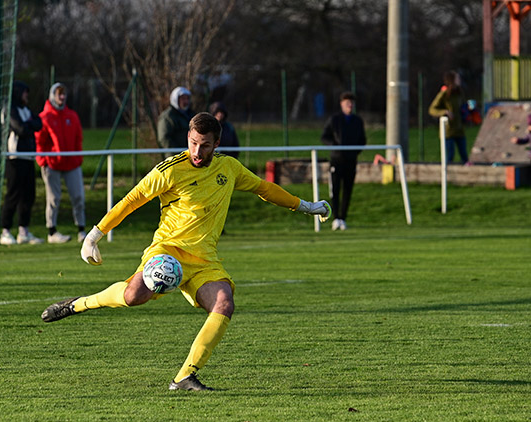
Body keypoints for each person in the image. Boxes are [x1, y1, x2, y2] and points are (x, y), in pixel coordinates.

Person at [41, 112, 332, 391]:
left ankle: (185, 376)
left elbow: (263, 188)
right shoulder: (169, 170)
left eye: (205, 145)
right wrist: (94, 235)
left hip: (204, 260)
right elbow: (132, 200)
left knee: (223, 303)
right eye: (193, 142)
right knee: (132, 297)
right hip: (167, 250)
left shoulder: (228, 168)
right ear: (188, 137)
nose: (197, 150)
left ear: (217, 144)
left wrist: (304, 206)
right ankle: (78, 304)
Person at [35, 82, 87, 243]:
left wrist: (77, 158)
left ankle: (81, 230)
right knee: (53, 198)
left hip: (71, 164)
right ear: (52, 96)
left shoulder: (72, 116)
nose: (62, 97)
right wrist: (43, 160)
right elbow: (39, 142)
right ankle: (52, 231)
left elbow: (78, 138)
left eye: (64, 94)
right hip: (52, 165)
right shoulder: (44, 118)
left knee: (78, 196)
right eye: (59, 94)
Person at [0, 81, 44, 246]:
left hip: (28, 157)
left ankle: (23, 231)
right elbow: (21, 129)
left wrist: (29, 125)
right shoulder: (10, 109)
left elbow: (38, 123)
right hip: (15, 158)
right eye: (25, 93)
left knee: (28, 196)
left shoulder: (26, 110)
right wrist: (29, 126)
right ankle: (5, 231)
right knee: (13, 195)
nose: (27, 96)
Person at [320, 91, 366, 231]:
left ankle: (343, 218)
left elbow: (362, 140)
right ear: (342, 104)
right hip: (337, 160)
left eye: (351, 102)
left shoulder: (357, 121)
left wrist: (354, 152)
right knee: (335, 189)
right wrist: (335, 147)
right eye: (347, 102)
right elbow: (324, 137)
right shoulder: (335, 119)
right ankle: (335, 218)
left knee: (348, 190)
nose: (349, 105)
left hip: (351, 161)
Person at [429, 70, 469, 164]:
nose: (459, 80)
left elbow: (463, 106)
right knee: (449, 155)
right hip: (448, 131)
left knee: (464, 156)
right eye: (457, 78)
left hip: (459, 129)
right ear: (452, 80)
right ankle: (448, 176)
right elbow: (432, 109)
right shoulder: (444, 94)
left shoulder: (459, 93)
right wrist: (444, 112)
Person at [157, 86, 196, 151]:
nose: (186, 101)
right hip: (175, 156)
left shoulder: (191, 114)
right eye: (183, 99)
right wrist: (177, 151)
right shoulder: (167, 116)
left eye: (187, 99)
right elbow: (164, 138)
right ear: (175, 99)